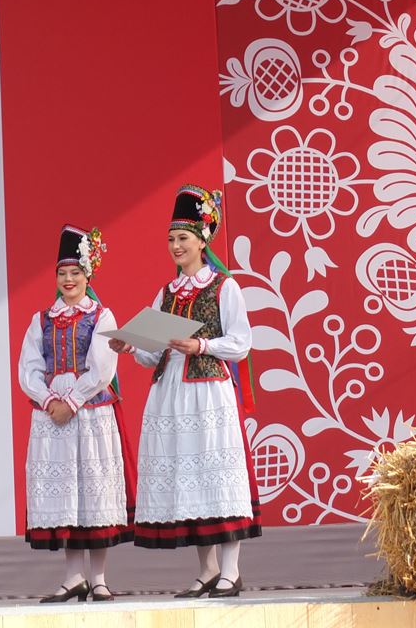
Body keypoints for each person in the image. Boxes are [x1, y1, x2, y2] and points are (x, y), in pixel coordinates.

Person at [108, 184, 260, 598]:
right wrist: (130, 346)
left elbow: (241, 343)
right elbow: (152, 352)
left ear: (202, 241)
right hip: (172, 390)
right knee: (190, 480)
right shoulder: (167, 293)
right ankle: (208, 570)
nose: (176, 246)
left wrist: (202, 345)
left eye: (183, 238)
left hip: (207, 389)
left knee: (217, 475)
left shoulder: (224, 287)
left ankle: (231, 570)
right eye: (172, 239)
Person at [18, 225, 136, 603]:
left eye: (75, 272)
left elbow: (102, 369)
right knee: (67, 495)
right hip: (52, 413)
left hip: (89, 412)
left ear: (88, 275)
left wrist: (72, 400)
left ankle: (98, 578)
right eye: (62, 273)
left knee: (92, 493)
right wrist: (48, 400)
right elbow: (28, 369)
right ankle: (73, 577)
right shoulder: (42, 320)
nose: (68, 280)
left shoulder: (101, 316)